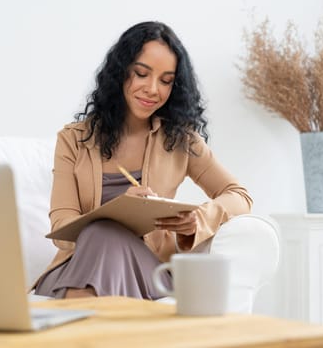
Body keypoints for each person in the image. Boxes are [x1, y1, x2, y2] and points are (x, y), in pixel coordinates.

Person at [32, 21, 252, 300]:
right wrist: (117, 212)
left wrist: (198, 218)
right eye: (141, 74)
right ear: (121, 72)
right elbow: (62, 227)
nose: (152, 89)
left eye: (166, 81)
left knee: (101, 240)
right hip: (79, 263)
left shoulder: (181, 141)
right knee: (102, 232)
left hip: (145, 269)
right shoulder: (73, 140)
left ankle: (80, 326)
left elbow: (239, 196)